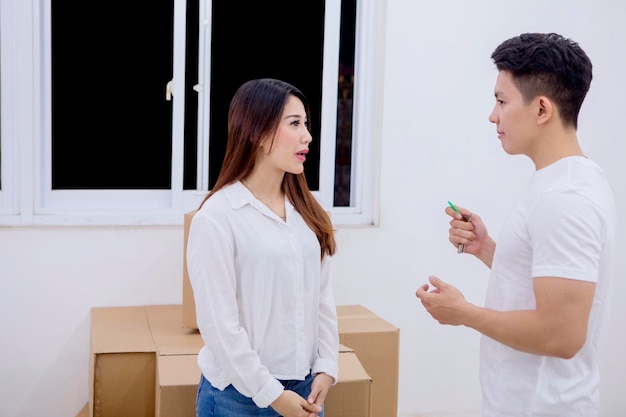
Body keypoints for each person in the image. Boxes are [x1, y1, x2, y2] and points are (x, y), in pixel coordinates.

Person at [415, 33, 616, 417]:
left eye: (501, 101)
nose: (493, 115)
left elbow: (562, 335)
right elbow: (544, 282)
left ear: (542, 109)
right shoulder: (561, 183)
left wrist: (463, 312)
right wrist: (487, 248)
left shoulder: (566, 199)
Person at [186, 78, 339, 417]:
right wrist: (271, 393)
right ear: (256, 132)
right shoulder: (217, 217)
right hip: (236, 399)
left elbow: (322, 299)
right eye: (295, 124)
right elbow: (219, 326)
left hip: (305, 391)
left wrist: (327, 365)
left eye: (306, 124)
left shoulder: (309, 214)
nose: (307, 136)